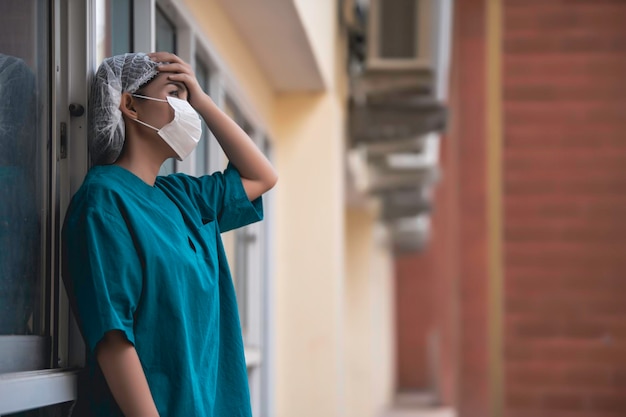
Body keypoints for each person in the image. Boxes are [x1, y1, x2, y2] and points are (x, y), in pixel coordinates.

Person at [62, 52, 277, 417]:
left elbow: (261, 176)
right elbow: (114, 338)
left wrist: (203, 100)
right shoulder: (103, 200)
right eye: (175, 94)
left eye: (187, 97)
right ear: (130, 105)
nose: (186, 108)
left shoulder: (182, 197)